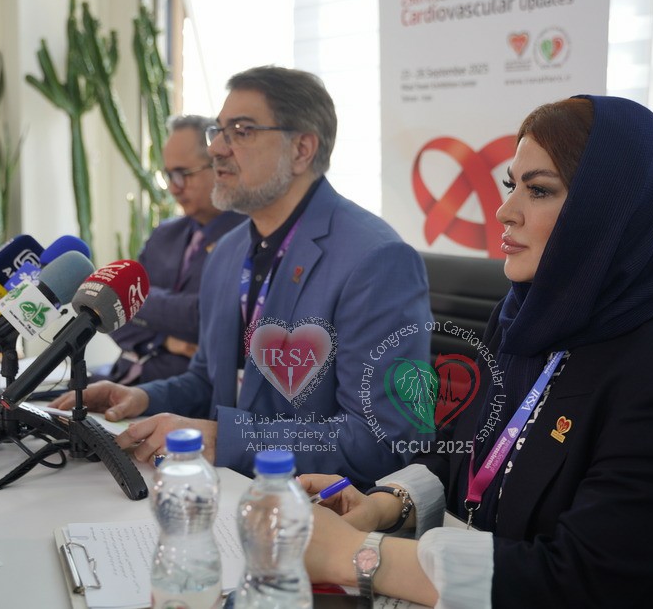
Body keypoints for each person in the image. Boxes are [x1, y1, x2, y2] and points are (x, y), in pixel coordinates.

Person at [299, 95, 653, 608]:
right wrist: (385, 505)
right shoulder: (525, 317)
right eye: (511, 185)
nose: (504, 211)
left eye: (538, 190)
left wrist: (356, 555)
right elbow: (461, 448)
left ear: (608, 211)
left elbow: (576, 581)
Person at [53, 66, 432, 486]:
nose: (216, 148)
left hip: (317, 509)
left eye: (241, 131)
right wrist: (143, 397)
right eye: (218, 130)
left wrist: (223, 439)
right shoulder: (229, 251)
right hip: (222, 492)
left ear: (301, 149)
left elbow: (381, 440)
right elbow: (210, 380)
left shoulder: (376, 260)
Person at [103, 115, 245, 385]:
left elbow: (203, 317)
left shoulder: (246, 239)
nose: (173, 187)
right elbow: (110, 311)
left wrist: (131, 297)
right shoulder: (165, 234)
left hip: (182, 396)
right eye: (169, 175)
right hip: (121, 381)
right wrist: (165, 340)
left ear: (219, 165)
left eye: (183, 174)